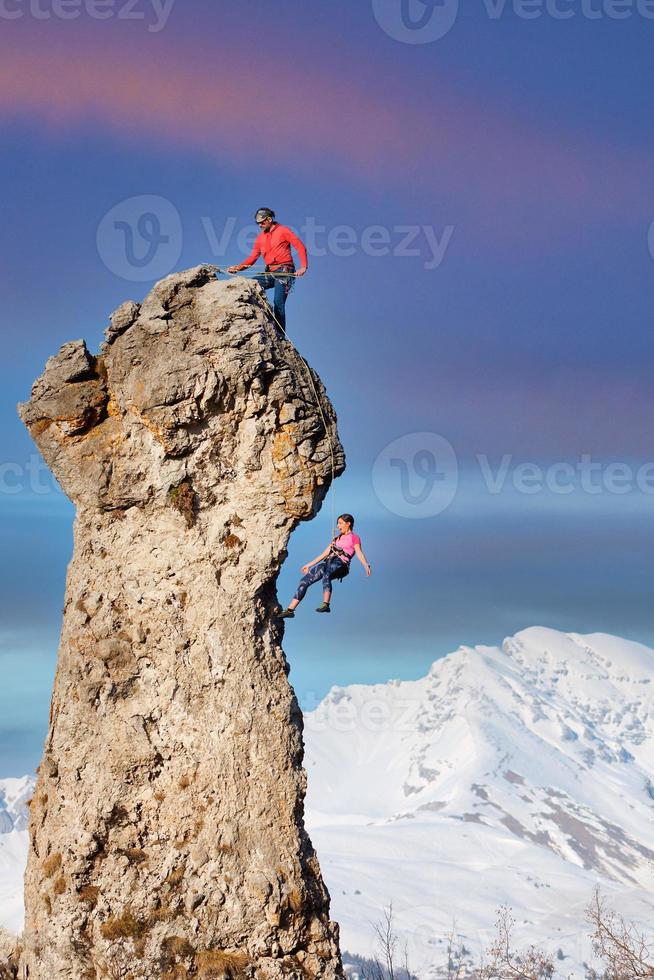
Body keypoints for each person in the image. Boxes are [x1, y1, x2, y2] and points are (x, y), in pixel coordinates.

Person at [227, 208, 308, 333]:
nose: (260, 225)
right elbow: (253, 257)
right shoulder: (260, 238)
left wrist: (304, 266)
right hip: (269, 272)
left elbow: (300, 246)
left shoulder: (283, 230)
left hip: (284, 271)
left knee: (278, 302)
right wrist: (238, 268)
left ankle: (281, 335)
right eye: (258, 223)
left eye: (262, 222)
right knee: (249, 285)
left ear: (269, 219)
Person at [279, 514, 371, 618]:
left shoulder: (354, 538)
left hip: (341, 564)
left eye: (340, 523)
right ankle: (290, 610)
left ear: (348, 524)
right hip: (328, 562)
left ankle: (326, 604)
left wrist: (365, 564)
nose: (338, 526)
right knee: (304, 581)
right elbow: (323, 554)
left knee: (327, 575)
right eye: (337, 523)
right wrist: (308, 565)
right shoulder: (336, 539)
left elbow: (359, 552)